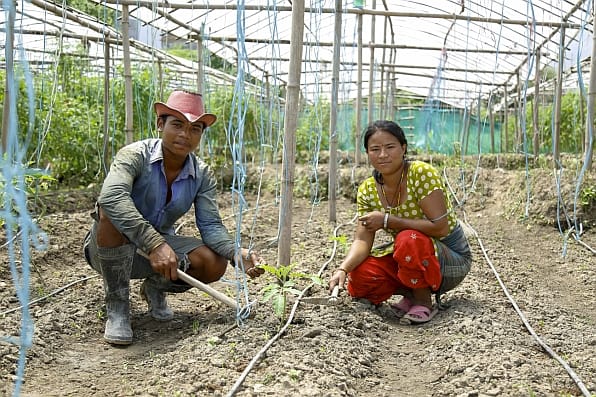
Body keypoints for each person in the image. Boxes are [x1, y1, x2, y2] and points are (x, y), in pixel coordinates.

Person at [83, 90, 264, 345]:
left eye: (195, 129)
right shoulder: (135, 155)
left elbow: (210, 224)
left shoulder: (201, 174)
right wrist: (154, 243)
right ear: (160, 124)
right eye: (177, 124)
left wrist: (236, 253)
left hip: (159, 256)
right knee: (110, 212)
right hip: (109, 249)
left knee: (213, 261)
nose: (185, 135)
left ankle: (155, 287)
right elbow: (111, 197)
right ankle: (117, 304)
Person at [328, 120, 472, 324]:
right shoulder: (368, 190)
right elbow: (362, 240)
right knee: (361, 275)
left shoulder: (421, 174)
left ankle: (424, 302)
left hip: (449, 258)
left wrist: (387, 220)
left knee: (408, 239)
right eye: (375, 149)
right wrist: (343, 269)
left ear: (403, 148)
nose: (383, 155)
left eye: (390, 147)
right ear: (367, 153)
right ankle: (412, 294)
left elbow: (440, 228)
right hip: (411, 254)